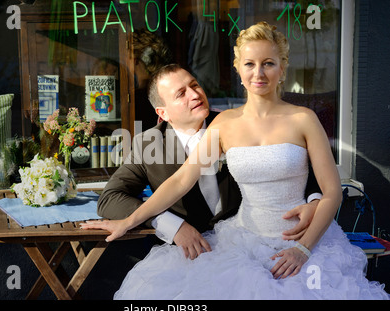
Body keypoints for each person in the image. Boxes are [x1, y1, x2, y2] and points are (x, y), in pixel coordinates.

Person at [81, 22, 390, 299]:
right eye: (250, 64)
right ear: (239, 70)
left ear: (282, 67)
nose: (259, 73)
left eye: (268, 63)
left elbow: (332, 191)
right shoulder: (224, 124)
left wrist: (303, 248)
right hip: (242, 245)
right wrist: (128, 222)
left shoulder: (304, 119)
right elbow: (180, 180)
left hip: (304, 245)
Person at [97, 63, 322, 260]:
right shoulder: (146, 144)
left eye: (194, 85)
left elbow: (295, 163)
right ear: (163, 113)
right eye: (181, 94)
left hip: (252, 244)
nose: (194, 95)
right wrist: (170, 225)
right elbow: (110, 199)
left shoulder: (235, 123)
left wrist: (314, 201)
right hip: (190, 255)